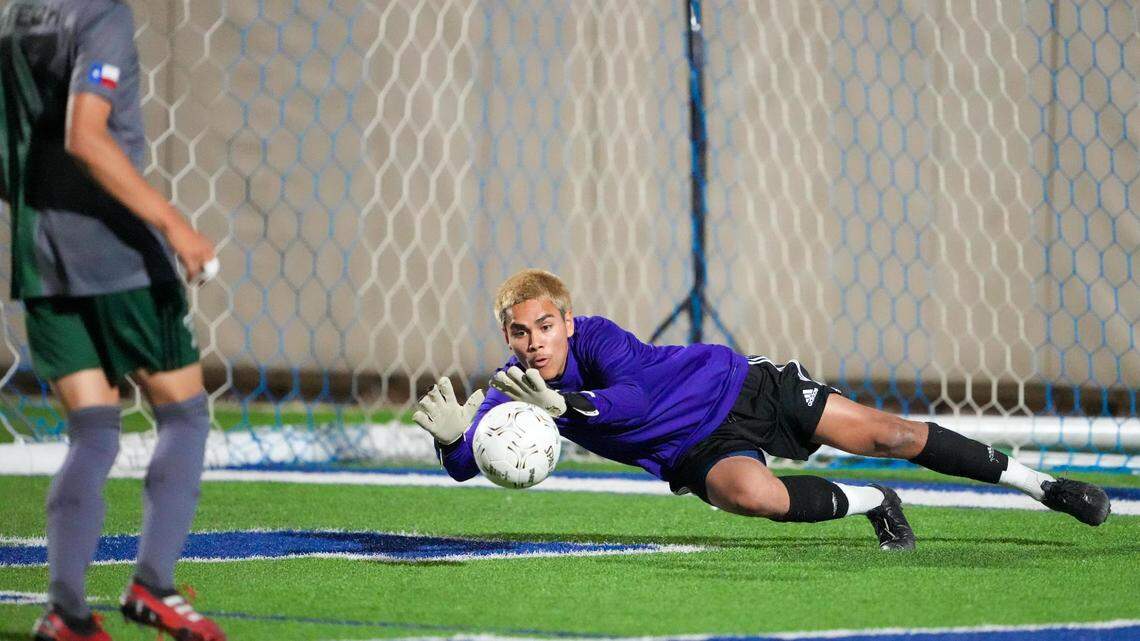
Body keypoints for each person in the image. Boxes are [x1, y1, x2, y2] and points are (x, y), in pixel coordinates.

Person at [413, 269, 1111, 551]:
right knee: (755, 496)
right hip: (695, 451)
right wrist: (453, 446)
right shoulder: (510, 392)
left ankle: (1043, 487)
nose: (533, 342)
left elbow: (635, 397)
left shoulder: (598, 339)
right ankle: (875, 500)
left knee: (889, 430)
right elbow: (478, 460)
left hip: (741, 388)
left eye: (543, 326)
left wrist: (568, 401)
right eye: (518, 331)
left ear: (565, 320)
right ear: (506, 334)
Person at [0, 1, 225, 639]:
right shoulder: (100, 15)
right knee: (183, 413)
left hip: (39, 257)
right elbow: (86, 136)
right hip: (115, 256)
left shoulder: (17, 16)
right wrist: (175, 224)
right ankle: (153, 585)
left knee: (93, 433)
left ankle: (66, 611)